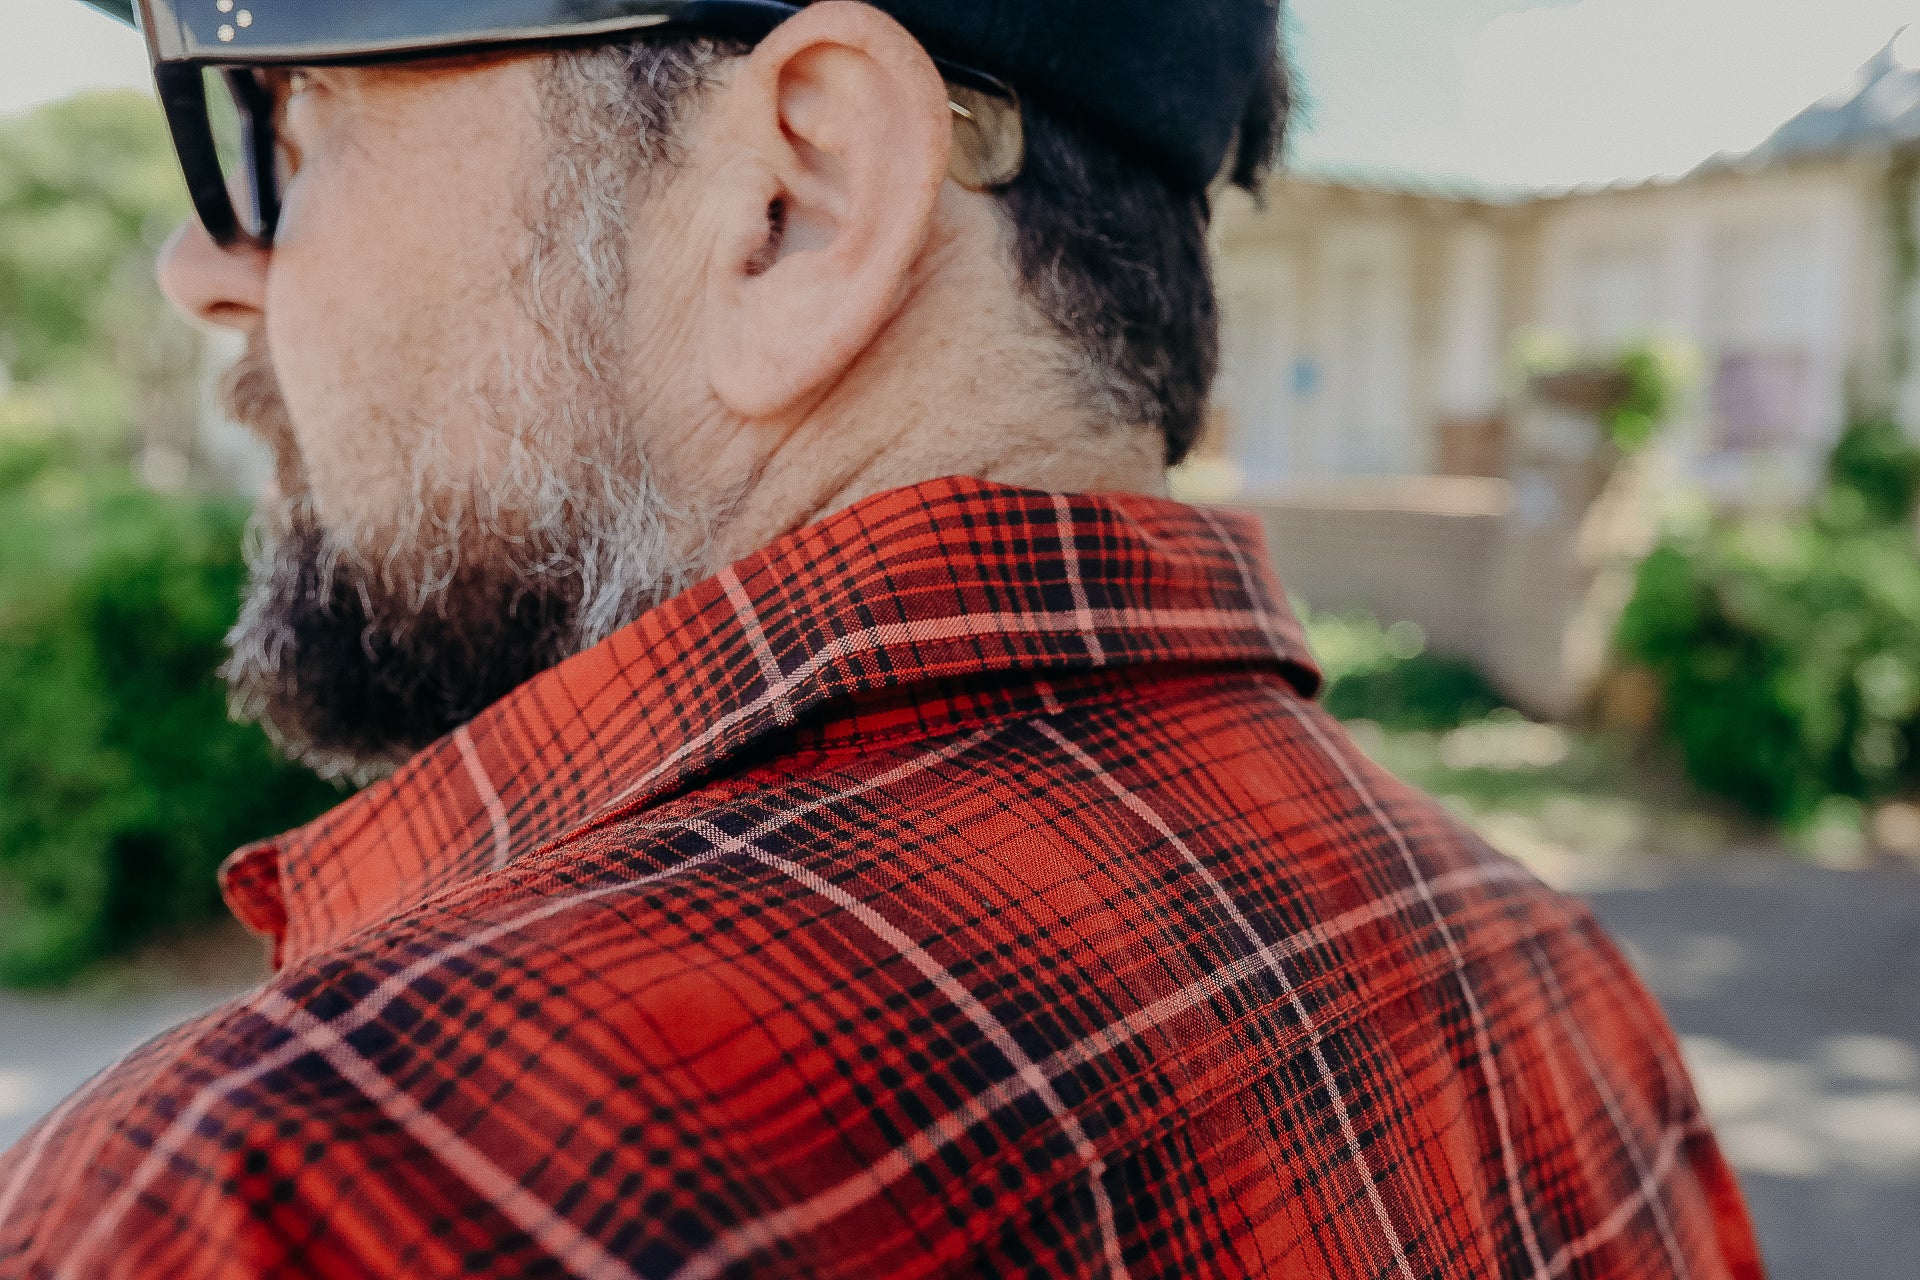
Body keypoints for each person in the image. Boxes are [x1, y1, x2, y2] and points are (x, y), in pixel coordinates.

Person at [0, 1, 1764, 1276]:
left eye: (286, 115)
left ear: (795, 205)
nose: (203, 263)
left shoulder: (285, 1201)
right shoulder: (1554, 993)